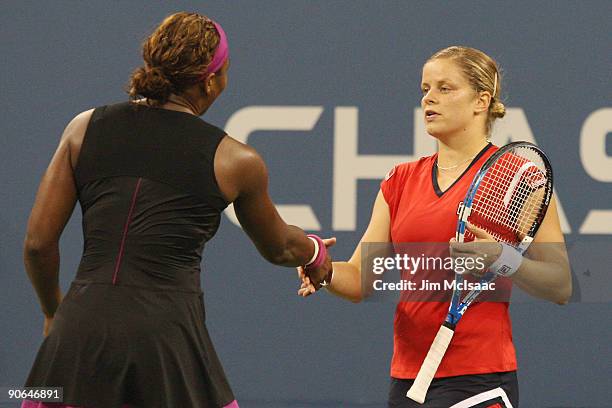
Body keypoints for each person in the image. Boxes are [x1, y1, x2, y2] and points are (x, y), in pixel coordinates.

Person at [21, 12, 330, 408]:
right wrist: (316, 253)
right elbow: (280, 248)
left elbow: (36, 243)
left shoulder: (83, 128)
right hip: (167, 342)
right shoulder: (235, 160)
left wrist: (53, 313)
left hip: (77, 331)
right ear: (210, 80)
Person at [299, 46, 572, 407]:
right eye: (425, 88)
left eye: (445, 88)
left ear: (481, 101)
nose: (429, 98)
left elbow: (561, 285)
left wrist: (502, 258)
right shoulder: (399, 181)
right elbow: (362, 279)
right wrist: (323, 268)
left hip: (481, 379)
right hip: (409, 379)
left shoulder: (520, 177)